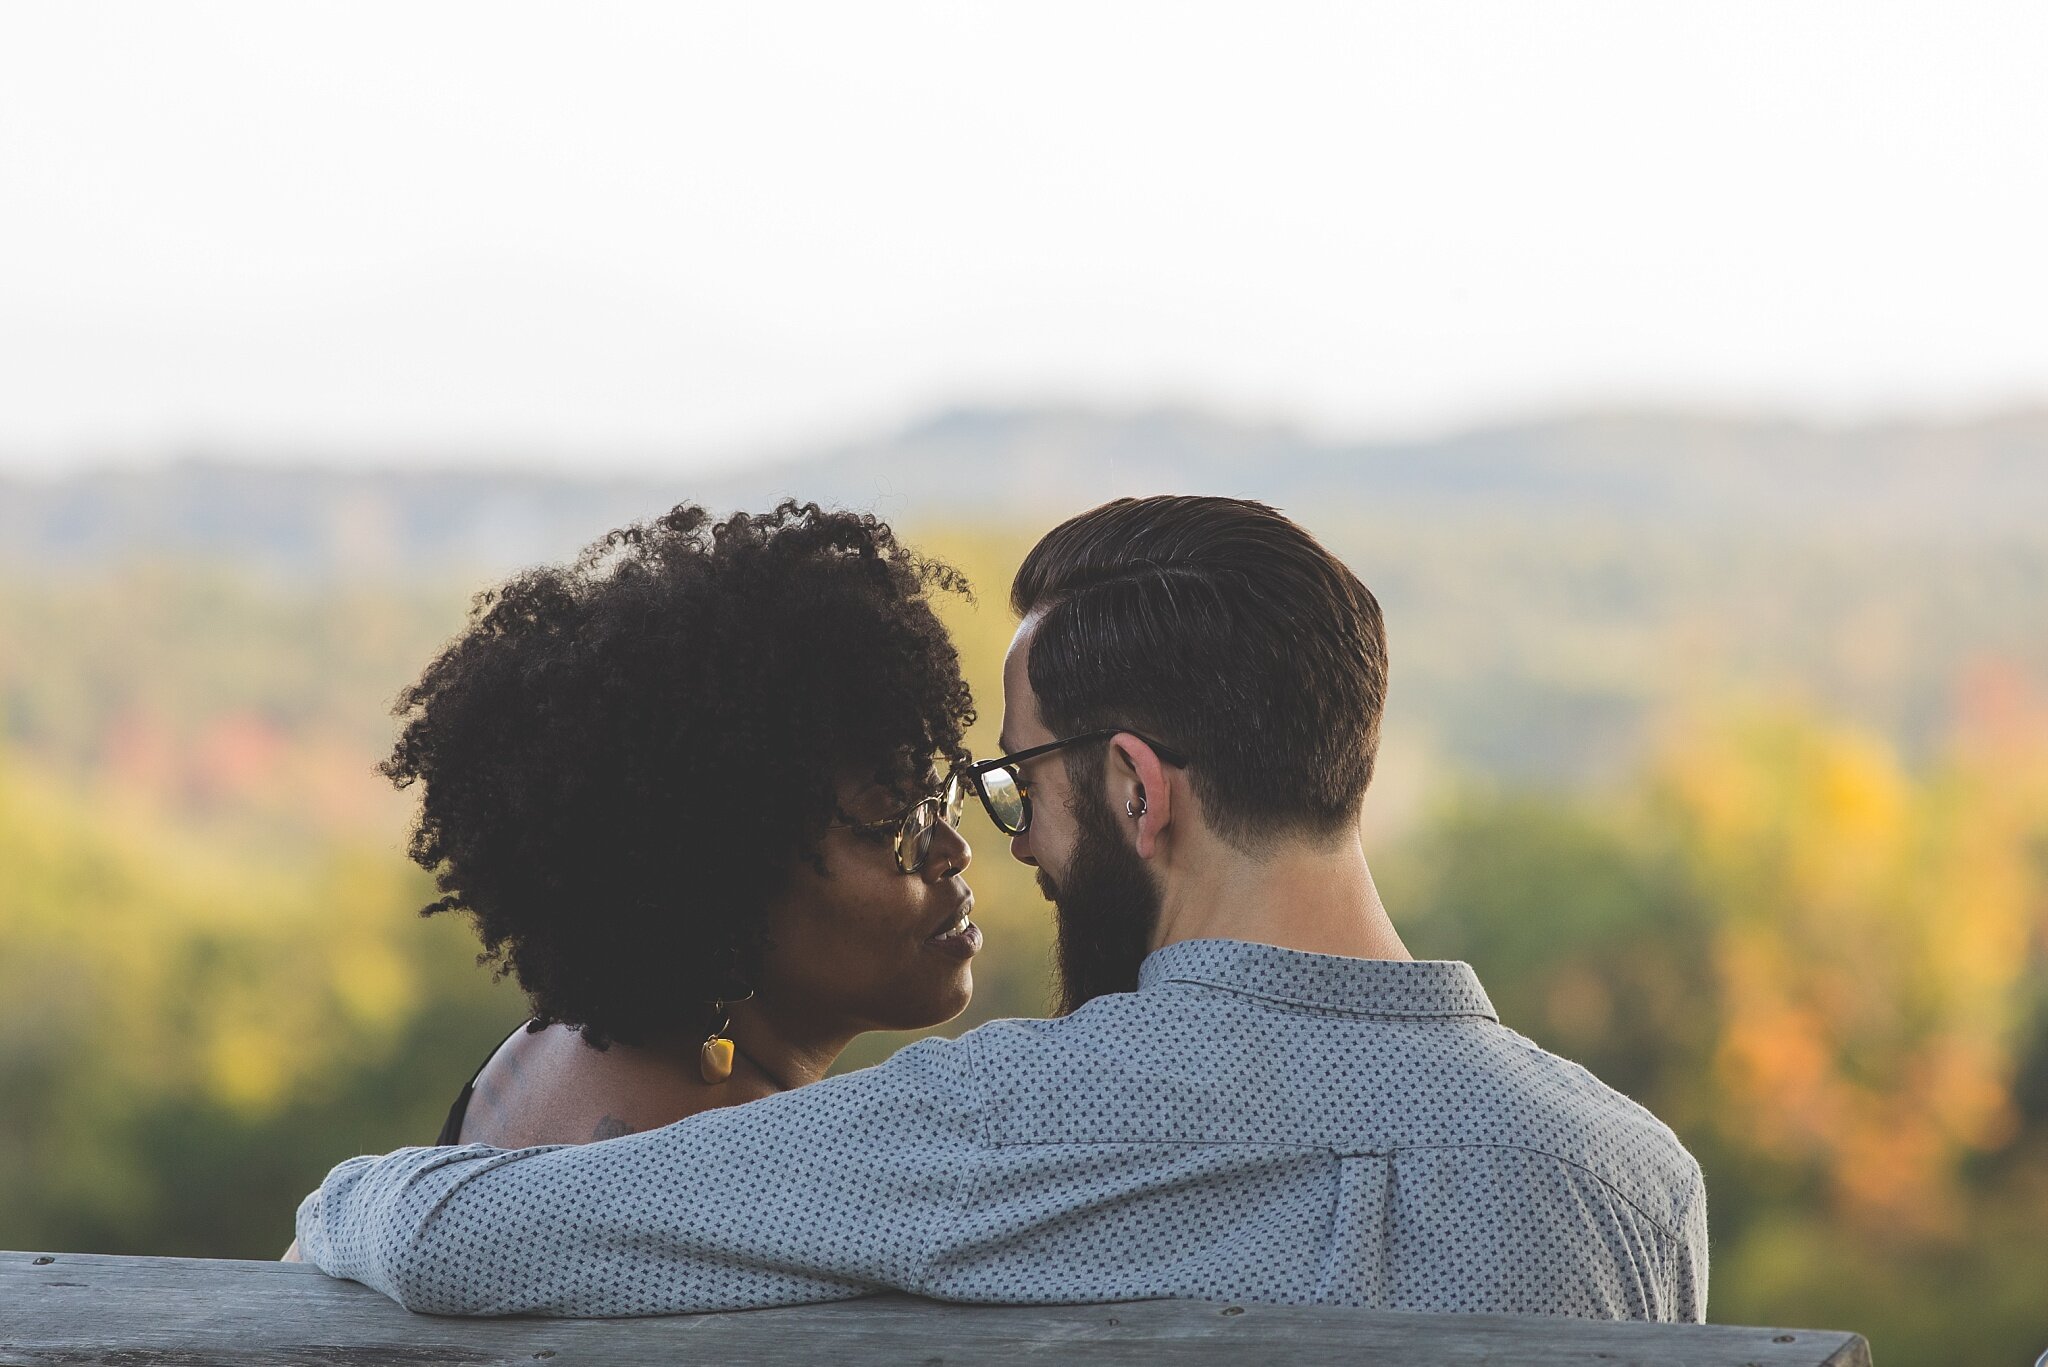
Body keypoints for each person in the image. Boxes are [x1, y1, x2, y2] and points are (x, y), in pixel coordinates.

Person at [295, 494, 1708, 1322]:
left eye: (1017, 780)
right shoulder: (1635, 1181)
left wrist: (352, 1195)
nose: (1013, 840)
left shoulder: (1006, 1130)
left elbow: (452, 1235)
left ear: (1139, 790)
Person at [353, 499, 981, 1149]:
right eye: (893, 824)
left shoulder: (537, 1051)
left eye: (938, 801)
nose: (953, 850)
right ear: (724, 893)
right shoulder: (750, 1166)